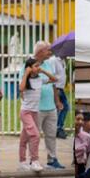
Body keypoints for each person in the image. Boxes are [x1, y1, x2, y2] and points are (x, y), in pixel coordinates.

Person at [34, 41, 66, 170]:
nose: (50, 52)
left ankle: (52, 159)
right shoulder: (29, 64)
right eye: (48, 50)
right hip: (36, 108)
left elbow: (54, 84)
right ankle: (33, 160)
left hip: (51, 107)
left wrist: (57, 101)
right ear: (41, 51)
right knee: (35, 136)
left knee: (51, 135)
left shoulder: (48, 64)